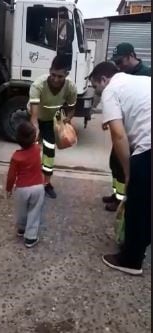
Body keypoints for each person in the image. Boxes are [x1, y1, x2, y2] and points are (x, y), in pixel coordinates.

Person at [90, 62, 151, 275]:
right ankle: (143, 241)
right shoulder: (141, 81)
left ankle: (131, 260)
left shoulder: (111, 90)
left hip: (149, 146)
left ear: (104, 80)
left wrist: (128, 172)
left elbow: (118, 135)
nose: (97, 92)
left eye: (96, 86)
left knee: (137, 203)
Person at [102, 42, 151, 212]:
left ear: (131, 56)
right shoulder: (122, 74)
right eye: (116, 63)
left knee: (131, 169)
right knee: (115, 162)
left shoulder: (147, 73)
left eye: (121, 61)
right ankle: (118, 195)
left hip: (139, 133)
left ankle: (125, 201)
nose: (118, 66)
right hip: (124, 127)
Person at [28, 55, 77, 199]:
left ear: (67, 74)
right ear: (49, 71)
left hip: (52, 119)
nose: (56, 79)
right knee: (32, 150)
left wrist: (67, 120)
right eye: (53, 75)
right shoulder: (38, 85)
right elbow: (34, 117)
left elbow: (72, 107)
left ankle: (46, 184)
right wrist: (35, 132)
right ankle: (31, 181)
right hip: (36, 117)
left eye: (60, 76)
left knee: (49, 151)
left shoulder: (70, 87)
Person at [6, 122, 45, 248]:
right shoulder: (37, 149)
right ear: (33, 138)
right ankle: (30, 237)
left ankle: (21, 229)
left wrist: (8, 189)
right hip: (38, 187)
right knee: (34, 211)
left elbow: (11, 176)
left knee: (21, 210)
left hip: (22, 189)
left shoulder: (16, 156)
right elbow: (39, 140)